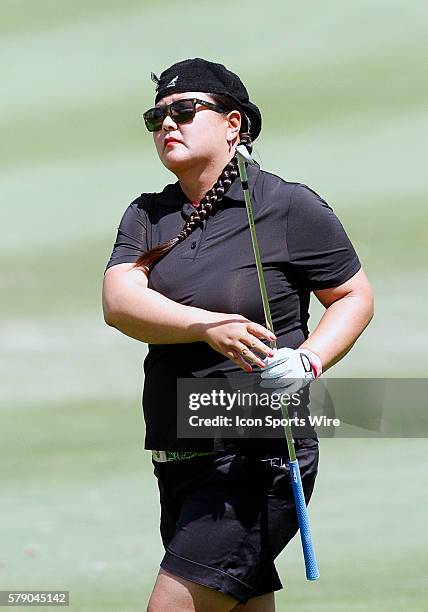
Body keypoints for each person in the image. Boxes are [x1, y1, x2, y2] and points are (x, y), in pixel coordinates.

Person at [102, 58, 374, 612]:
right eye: (156, 118)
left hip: (259, 456)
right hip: (179, 455)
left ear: (233, 125)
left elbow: (353, 297)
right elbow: (119, 301)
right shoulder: (149, 213)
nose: (166, 125)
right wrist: (204, 325)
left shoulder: (287, 205)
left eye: (183, 111)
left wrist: (308, 360)